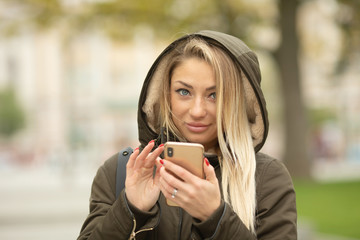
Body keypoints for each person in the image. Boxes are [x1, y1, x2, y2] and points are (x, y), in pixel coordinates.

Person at [77, 30, 297, 240]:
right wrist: (129, 209)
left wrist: (216, 218)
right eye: (184, 92)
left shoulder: (267, 179)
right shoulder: (120, 172)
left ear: (237, 102)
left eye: (214, 95)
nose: (198, 111)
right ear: (165, 95)